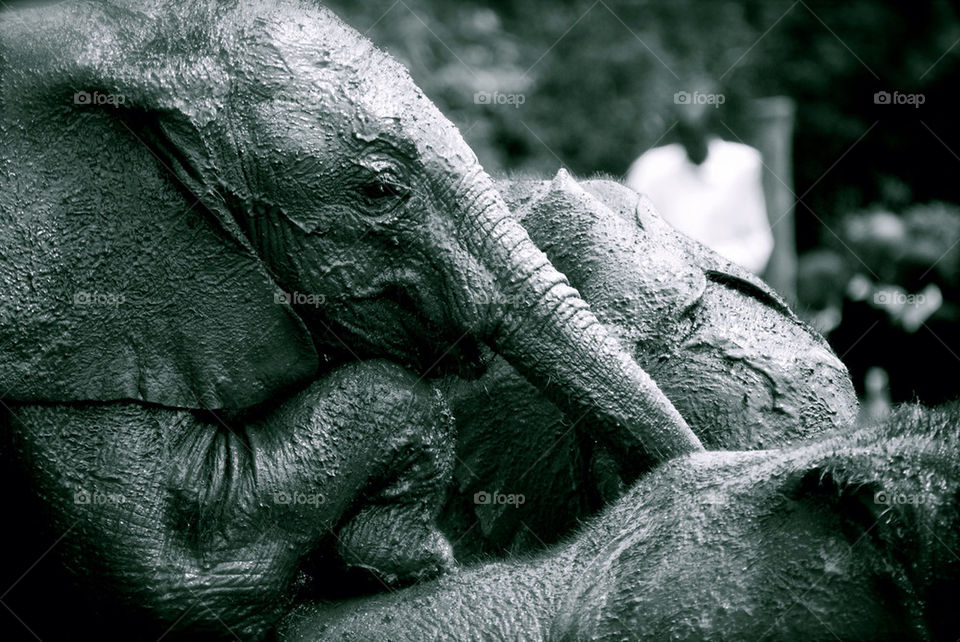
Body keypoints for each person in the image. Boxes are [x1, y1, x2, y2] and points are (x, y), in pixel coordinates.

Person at [625, 92, 774, 274]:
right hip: (666, 279)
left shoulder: (743, 164)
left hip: (728, 279)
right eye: (685, 134)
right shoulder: (650, 168)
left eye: (696, 134)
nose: (691, 143)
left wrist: (708, 264)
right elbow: (632, 236)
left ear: (710, 128)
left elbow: (757, 244)